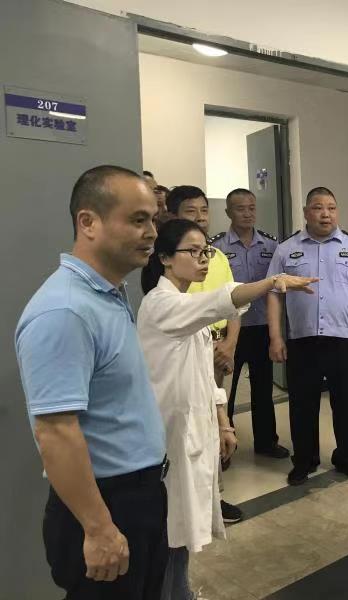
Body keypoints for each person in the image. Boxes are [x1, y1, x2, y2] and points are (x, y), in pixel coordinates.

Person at [137, 218, 316, 600]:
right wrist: (272, 281)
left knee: (183, 533)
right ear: (165, 258)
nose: (203, 259)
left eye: (206, 251)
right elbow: (224, 299)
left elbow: (205, 374)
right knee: (170, 532)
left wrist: (223, 422)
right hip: (170, 438)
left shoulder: (186, 304)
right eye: (193, 251)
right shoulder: (161, 304)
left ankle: (180, 592)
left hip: (193, 431)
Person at [15, 165, 168, 598]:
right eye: (137, 220)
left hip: (139, 496)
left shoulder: (107, 294)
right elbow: (55, 432)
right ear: (88, 222)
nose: (152, 233)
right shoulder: (65, 311)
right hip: (105, 506)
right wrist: (99, 529)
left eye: (153, 219)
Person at [267, 187, 348, 486]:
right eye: (318, 207)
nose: (325, 214)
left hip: (343, 338)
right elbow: (274, 295)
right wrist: (276, 337)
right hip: (302, 340)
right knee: (302, 404)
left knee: (346, 402)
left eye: (331, 207)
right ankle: (304, 460)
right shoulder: (286, 249)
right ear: (306, 212)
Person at [166, 185, 243, 524]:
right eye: (190, 211)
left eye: (203, 210)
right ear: (172, 216)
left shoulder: (218, 256)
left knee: (215, 423)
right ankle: (190, 500)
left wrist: (229, 345)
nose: (199, 217)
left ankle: (215, 497)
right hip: (187, 352)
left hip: (218, 345)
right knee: (189, 429)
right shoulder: (168, 259)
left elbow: (234, 303)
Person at [210, 188, 288, 459]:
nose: (247, 213)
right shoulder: (216, 247)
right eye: (240, 208)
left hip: (262, 326)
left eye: (251, 208)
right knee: (225, 390)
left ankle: (266, 442)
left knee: (263, 387)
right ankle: (224, 445)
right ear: (228, 212)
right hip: (230, 329)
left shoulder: (271, 245)